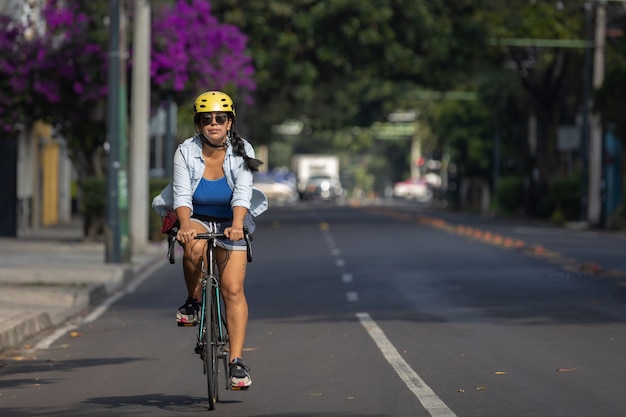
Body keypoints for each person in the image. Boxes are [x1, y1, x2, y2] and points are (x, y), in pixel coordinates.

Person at [152, 91, 268, 389]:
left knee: (232, 288)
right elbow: (181, 193)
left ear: (229, 123)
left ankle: (236, 362)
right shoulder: (185, 151)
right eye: (207, 119)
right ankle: (193, 301)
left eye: (220, 118)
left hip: (232, 219)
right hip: (197, 214)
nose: (213, 124)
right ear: (198, 124)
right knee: (193, 246)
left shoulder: (243, 150)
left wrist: (239, 225)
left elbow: (242, 191)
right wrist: (186, 225)